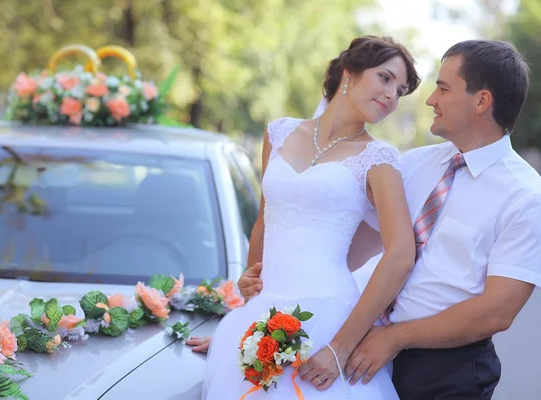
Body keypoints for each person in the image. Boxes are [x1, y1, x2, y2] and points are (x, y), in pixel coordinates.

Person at [219, 39, 541, 400]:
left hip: (445, 372)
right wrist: (265, 292)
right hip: (362, 345)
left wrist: (393, 338)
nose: (430, 100)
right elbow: (345, 243)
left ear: (481, 101)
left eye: (443, 88)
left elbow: (496, 313)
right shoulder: (414, 164)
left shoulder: (526, 197)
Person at [200, 35, 421, 399]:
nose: (392, 96)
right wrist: (250, 282)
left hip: (328, 323)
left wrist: (340, 348)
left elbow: (400, 254)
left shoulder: (380, 160)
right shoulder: (279, 133)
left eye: (400, 91)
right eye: (385, 78)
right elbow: (264, 221)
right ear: (349, 72)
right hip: (261, 316)